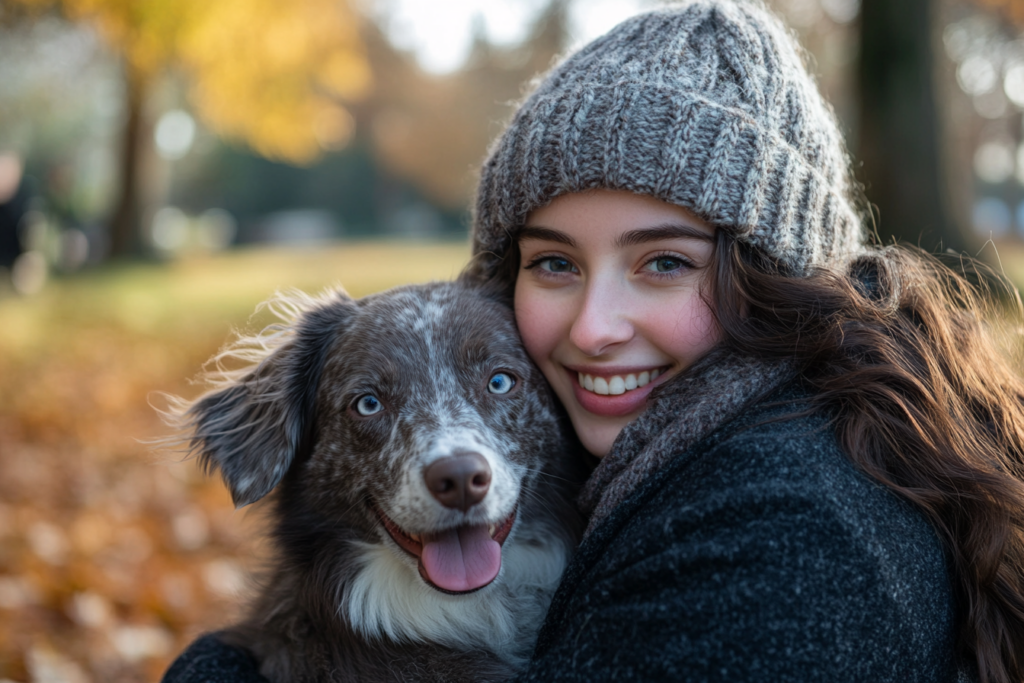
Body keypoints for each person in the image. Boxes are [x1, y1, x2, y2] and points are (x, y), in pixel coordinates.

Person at [163, 1, 1024, 681]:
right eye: (553, 263)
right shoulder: (684, 453)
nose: (593, 328)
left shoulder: (782, 536)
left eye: (661, 262)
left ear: (776, 274)